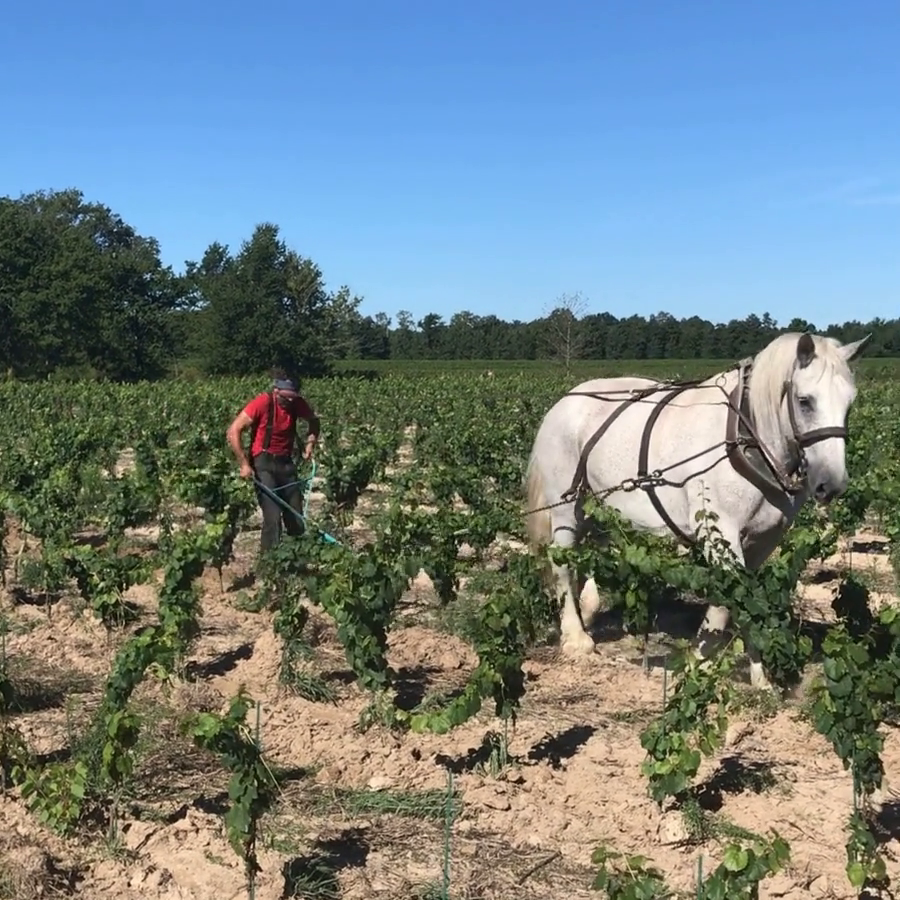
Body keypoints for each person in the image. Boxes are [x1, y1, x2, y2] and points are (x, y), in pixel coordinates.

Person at [226, 368, 321, 557]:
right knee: (273, 515)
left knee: (295, 513)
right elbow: (234, 430)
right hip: (263, 463)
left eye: (294, 397)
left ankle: (295, 560)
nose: (290, 401)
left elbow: (314, 421)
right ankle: (270, 564)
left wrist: (310, 443)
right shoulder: (262, 402)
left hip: (285, 462)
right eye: (287, 398)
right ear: (276, 392)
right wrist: (244, 464)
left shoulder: (296, 403)